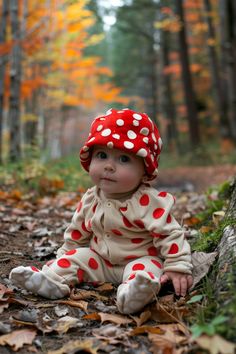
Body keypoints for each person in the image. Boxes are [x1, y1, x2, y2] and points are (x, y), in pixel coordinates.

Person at [9, 108, 193, 314]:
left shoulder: (148, 201)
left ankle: (135, 293)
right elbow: (77, 233)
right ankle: (52, 281)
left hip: (139, 259)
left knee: (148, 270)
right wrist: (63, 256)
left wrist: (177, 266)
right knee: (74, 258)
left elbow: (169, 234)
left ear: (145, 172)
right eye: (102, 155)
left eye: (124, 159)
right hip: (99, 262)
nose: (109, 166)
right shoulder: (91, 198)